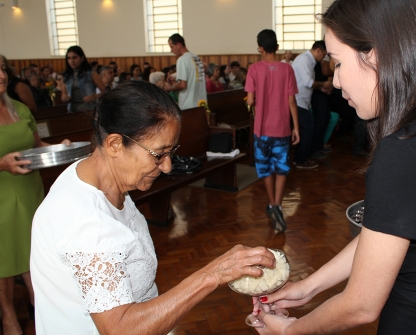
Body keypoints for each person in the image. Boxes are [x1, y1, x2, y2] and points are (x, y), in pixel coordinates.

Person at [253, 0, 416, 334]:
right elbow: (385, 233)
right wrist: (308, 287)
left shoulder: (409, 147)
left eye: (339, 64)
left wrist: (289, 331)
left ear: (377, 54)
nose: (338, 82)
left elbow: (361, 305)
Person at [30, 80, 276, 334]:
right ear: (115, 144)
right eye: (159, 154)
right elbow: (121, 330)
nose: (168, 166)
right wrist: (212, 275)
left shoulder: (98, 176)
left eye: (171, 151)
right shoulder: (86, 222)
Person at [0, 55, 69, 335]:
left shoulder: (18, 108)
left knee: (32, 254)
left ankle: (38, 306)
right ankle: (8, 318)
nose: (1, 75)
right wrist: (2, 163)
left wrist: (60, 148)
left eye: (1, 69)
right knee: (4, 258)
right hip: (3, 197)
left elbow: (36, 143)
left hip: (30, 192)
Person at [245, 29, 300, 233]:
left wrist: (257, 101)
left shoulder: (254, 69)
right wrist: (296, 127)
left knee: (265, 167)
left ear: (260, 48)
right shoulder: (287, 69)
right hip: (282, 128)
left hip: (262, 130)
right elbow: (292, 101)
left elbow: (250, 100)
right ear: (277, 47)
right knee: (281, 168)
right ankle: (278, 204)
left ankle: (272, 204)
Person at [292, 41, 332, 169]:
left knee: (308, 128)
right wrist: (323, 85)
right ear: (319, 50)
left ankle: (303, 157)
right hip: (297, 100)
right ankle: (300, 160)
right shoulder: (303, 60)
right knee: (308, 129)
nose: (323, 57)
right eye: (324, 54)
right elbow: (308, 82)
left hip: (303, 101)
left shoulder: (310, 61)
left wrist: (321, 89)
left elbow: (308, 84)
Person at [165, 33, 207, 110]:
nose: (171, 50)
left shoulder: (182, 60)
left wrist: (170, 88)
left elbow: (183, 85)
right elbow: (193, 77)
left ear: (178, 45)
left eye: (171, 47)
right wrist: (177, 78)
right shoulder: (196, 57)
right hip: (201, 102)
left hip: (189, 105)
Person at [60, 45, 106, 113]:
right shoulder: (66, 75)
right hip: (71, 110)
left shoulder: (91, 74)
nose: (71, 61)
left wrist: (94, 97)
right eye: (69, 58)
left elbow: (106, 92)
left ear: (82, 58)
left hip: (88, 110)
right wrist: (64, 97)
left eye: (74, 57)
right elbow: (63, 94)